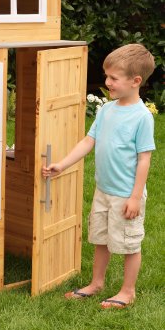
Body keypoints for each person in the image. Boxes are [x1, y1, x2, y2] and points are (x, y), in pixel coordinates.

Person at [42, 44, 155, 309]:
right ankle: (96, 283)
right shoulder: (106, 110)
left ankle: (127, 291)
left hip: (126, 195)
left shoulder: (142, 117)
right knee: (100, 239)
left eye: (114, 78)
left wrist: (135, 197)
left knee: (129, 243)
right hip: (103, 190)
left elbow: (144, 159)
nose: (107, 82)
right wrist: (63, 165)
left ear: (135, 81)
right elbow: (88, 141)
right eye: (107, 76)